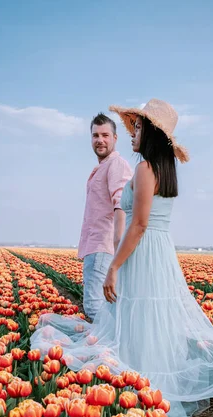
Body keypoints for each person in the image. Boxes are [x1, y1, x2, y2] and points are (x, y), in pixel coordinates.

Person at [32, 99, 213, 417]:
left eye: (136, 128)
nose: (131, 133)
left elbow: (138, 225)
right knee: (150, 318)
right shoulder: (166, 170)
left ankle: (146, 390)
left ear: (149, 134)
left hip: (144, 251)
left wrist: (115, 267)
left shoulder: (144, 168)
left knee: (138, 317)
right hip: (160, 254)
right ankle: (148, 385)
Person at [78, 113, 133, 320]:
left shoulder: (116, 164)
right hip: (96, 246)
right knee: (103, 307)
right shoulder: (101, 167)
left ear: (115, 138)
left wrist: (117, 245)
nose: (99, 140)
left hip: (103, 246)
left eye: (105, 135)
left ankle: (105, 350)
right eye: (95, 135)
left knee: (94, 307)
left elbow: (122, 205)